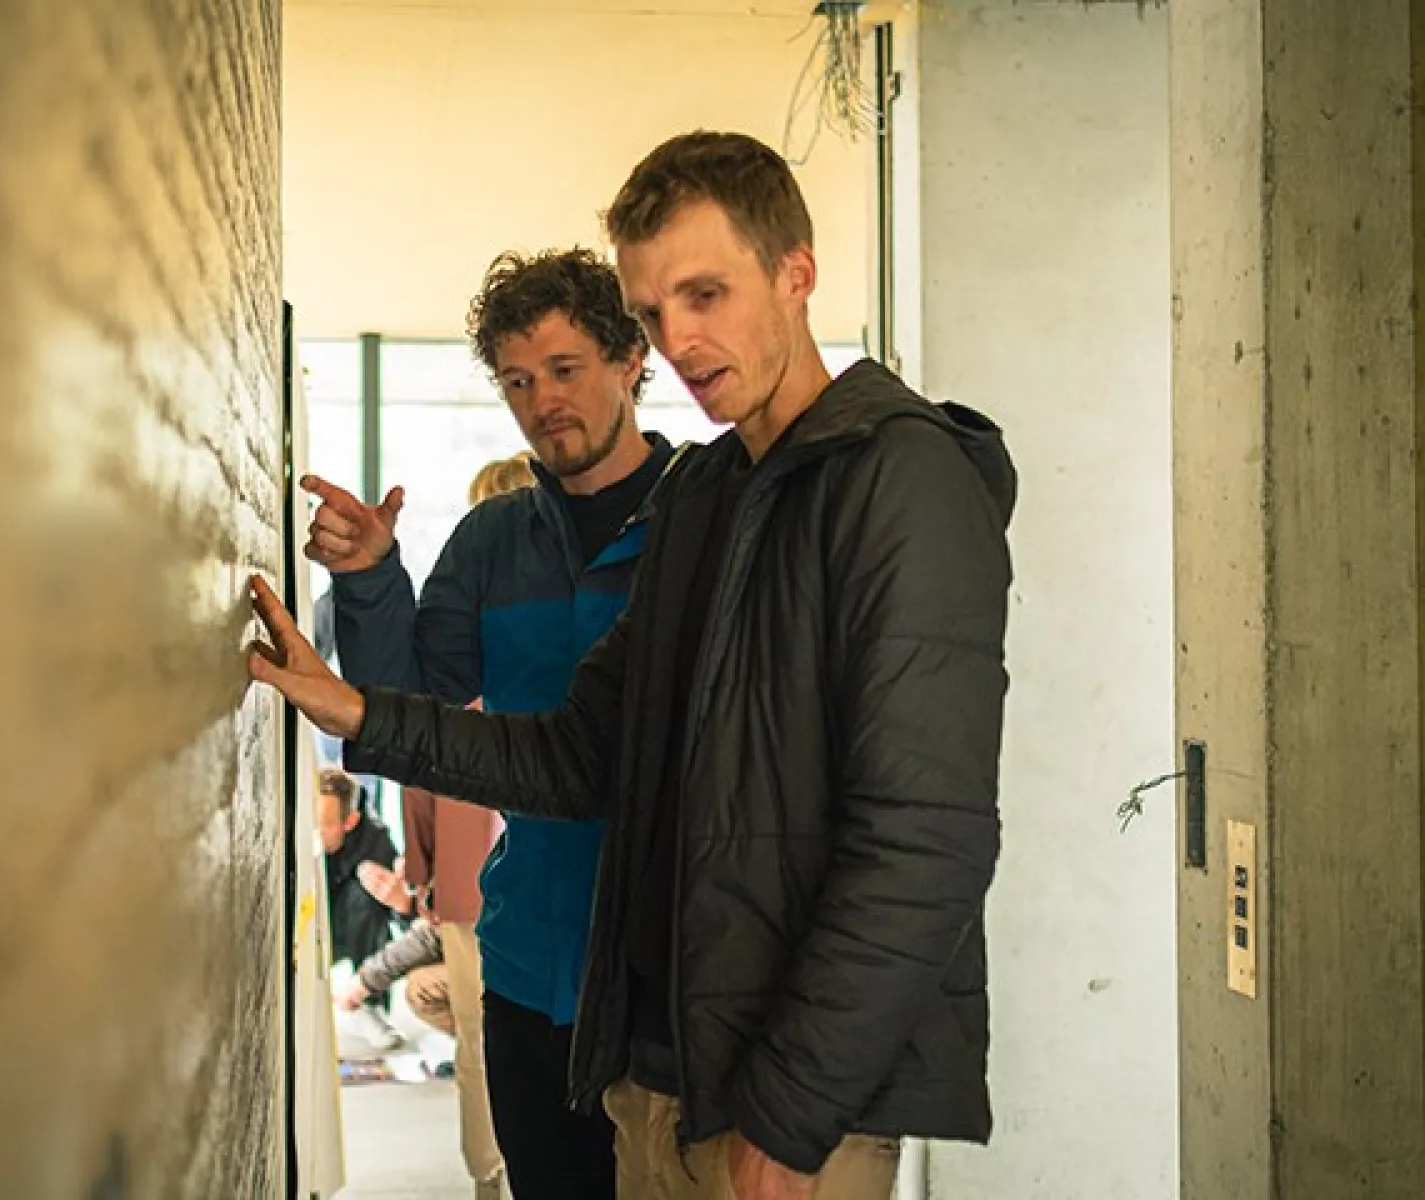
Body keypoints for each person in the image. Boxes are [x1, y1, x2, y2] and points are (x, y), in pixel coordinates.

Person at [253, 131, 1015, 1200]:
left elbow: (922, 840)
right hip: (643, 1049)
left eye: (706, 294)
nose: (683, 338)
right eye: (656, 308)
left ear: (796, 273)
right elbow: (577, 754)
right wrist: (353, 710)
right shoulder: (705, 496)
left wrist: (793, 1113)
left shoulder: (900, 481)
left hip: (774, 1086)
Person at [300, 257, 678, 1200]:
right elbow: (411, 705)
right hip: (527, 970)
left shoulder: (703, 521)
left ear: (631, 358)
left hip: (673, 977)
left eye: (564, 368)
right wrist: (370, 579)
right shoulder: (493, 541)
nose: (542, 401)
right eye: (516, 380)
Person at [317, 768, 404, 1053]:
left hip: (350, 927)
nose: (315, 832)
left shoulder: (375, 840)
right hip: (311, 923)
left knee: (366, 895)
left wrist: (400, 901)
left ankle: (368, 1006)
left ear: (350, 821)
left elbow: (403, 920)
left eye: (324, 825)